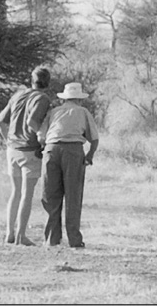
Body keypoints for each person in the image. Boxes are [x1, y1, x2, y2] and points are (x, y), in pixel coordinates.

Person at [37, 82, 99, 248]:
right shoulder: (83, 112)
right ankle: (74, 240)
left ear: (64, 98)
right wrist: (89, 156)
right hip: (73, 150)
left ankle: (51, 239)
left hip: (51, 150)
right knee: (73, 196)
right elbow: (94, 138)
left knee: (51, 196)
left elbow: (41, 137)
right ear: (79, 99)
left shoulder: (54, 112)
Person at [0, 65, 51, 246]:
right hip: (29, 150)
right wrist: (42, 138)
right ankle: (21, 236)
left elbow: (0, 121)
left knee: (15, 192)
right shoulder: (42, 98)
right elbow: (32, 121)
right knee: (27, 195)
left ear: (31, 80)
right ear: (48, 82)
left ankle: (9, 233)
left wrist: (8, 141)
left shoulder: (18, 95)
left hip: (12, 150)